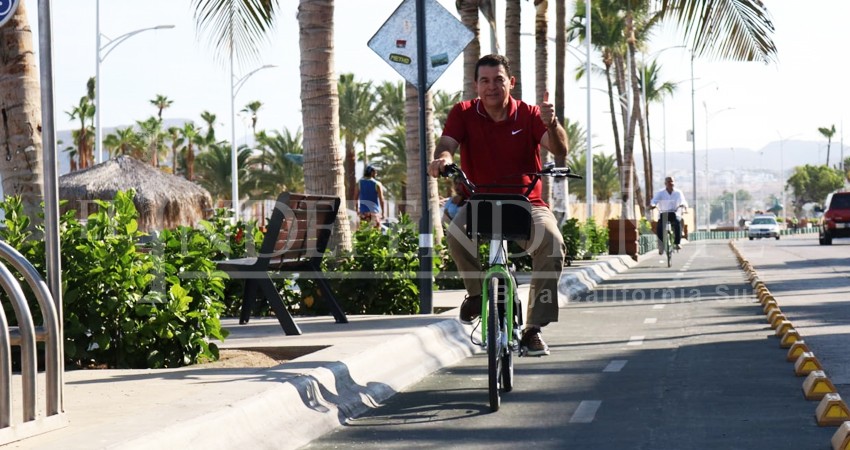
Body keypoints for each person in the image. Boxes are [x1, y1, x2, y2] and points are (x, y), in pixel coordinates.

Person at [427, 54, 569, 357]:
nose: (492, 87)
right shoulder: (463, 112)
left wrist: (552, 123)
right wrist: (443, 160)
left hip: (526, 203)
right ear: (476, 85)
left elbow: (559, 149)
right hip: (481, 201)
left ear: (511, 83)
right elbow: (447, 145)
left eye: (498, 80)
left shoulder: (530, 114)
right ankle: (478, 295)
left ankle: (532, 329)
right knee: (455, 233)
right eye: (485, 81)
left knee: (553, 244)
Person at [648, 176, 689, 254]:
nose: (671, 184)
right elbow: (654, 201)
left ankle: (677, 243)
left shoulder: (678, 193)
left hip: (674, 213)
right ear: (665, 183)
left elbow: (683, 201)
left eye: (672, 182)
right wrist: (652, 205)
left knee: (677, 224)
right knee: (659, 228)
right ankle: (661, 246)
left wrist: (683, 205)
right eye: (669, 182)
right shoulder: (660, 193)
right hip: (663, 214)